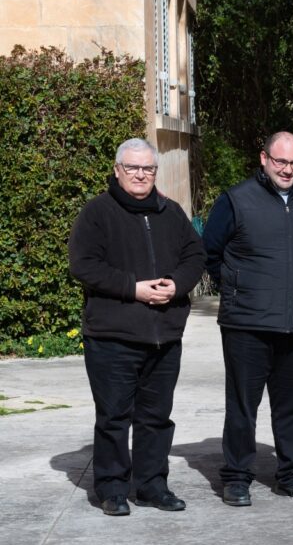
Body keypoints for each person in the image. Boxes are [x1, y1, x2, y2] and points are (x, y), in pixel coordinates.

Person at [69, 138, 205, 516]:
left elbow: (196, 255)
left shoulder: (170, 212)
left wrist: (176, 284)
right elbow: (83, 264)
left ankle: (152, 485)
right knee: (114, 417)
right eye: (132, 167)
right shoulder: (97, 213)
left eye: (148, 168)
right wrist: (134, 289)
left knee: (156, 418)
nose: (140, 174)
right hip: (113, 337)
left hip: (164, 337)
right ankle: (112, 488)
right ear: (117, 171)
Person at [203, 131, 293, 507]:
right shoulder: (235, 200)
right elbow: (209, 252)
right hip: (247, 324)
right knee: (243, 406)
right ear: (264, 159)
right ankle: (237, 477)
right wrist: (237, 288)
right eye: (280, 161)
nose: (287, 170)